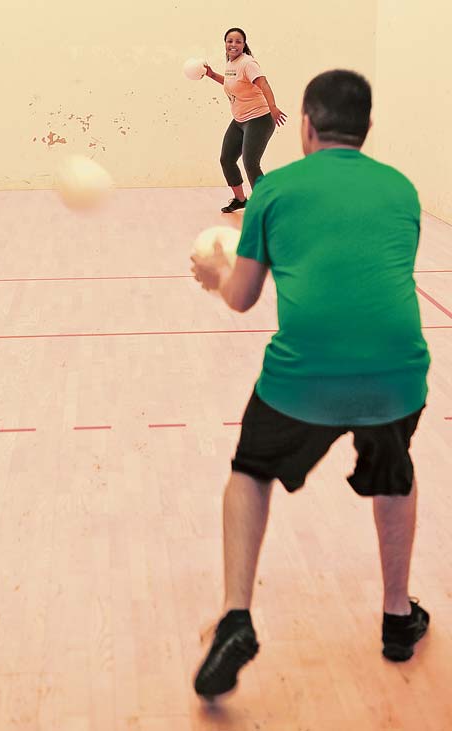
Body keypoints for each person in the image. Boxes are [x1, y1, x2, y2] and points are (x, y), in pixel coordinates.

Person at [190, 69, 430, 700]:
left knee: (250, 469)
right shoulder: (402, 189)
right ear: (366, 128)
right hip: (400, 374)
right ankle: (397, 617)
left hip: (305, 374)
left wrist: (214, 273)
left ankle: (236, 616)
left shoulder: (276, 189)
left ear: (305, 125)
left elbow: (242, 299)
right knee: (394, 470)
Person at [204, 27, 286, 213]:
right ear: (225, 43)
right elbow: (231, 82)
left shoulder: (248, 63)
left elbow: (263, 83)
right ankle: (241, 200)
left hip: (260, 119)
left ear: (244, 44)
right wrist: (211, 75)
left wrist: (273, 107)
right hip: (240, 120)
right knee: (227, 159)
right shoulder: (232, 63)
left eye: (238, 41)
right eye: (230, 41)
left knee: (250, 162)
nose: (233, 44)